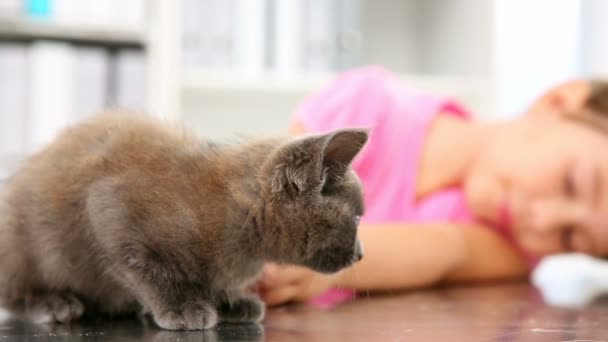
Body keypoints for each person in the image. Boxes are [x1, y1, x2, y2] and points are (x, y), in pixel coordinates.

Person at [256, 66, 608, 308]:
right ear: (559, 102)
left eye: (570, 237)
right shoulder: (366, 103)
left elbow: (449, 249)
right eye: (571, 183)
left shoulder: (510, 250)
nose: (544, 221)